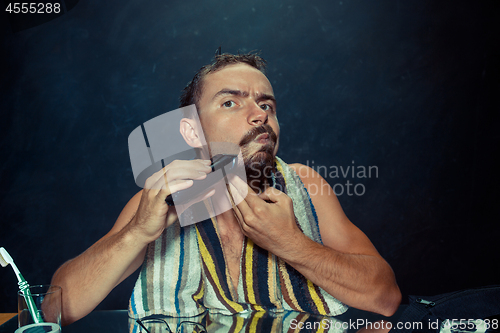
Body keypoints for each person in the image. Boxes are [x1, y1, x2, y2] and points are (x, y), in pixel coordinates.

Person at [50, 52, 401, 326]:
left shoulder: (305, 184)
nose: (259, 115)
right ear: (191, 131)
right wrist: (137, 233)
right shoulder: (157, 200)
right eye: (231, 102)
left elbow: (385, 297)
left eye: (266, 105)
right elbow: (56, 310)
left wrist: (293, 244)